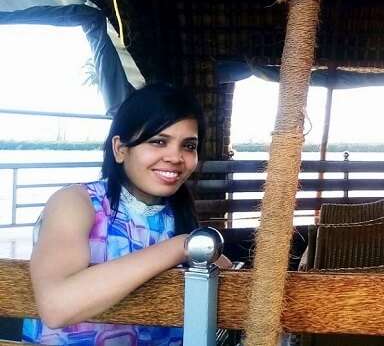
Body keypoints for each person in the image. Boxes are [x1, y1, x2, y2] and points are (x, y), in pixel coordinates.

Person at [23, 83, 230, 345]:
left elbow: (225, 272)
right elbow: (56, 306)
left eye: (188, 146)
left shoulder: (176, 217)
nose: (176, 157)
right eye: (158, 141)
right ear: (121, 149)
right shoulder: (76, 203)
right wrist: (181, 247)